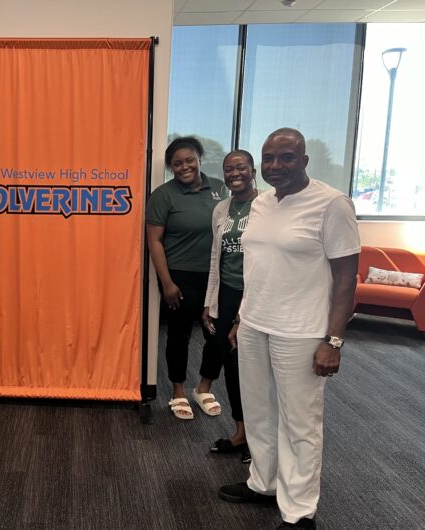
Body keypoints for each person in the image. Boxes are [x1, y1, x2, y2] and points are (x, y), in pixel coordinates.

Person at [218, 128, 360, 530]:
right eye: (270, 159)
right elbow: (257, 267)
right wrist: (242, 317)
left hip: (301, 331)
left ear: (304, 161)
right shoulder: (262, 204)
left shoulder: (331, 204)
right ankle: (263, 484)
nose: (276, 166)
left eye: (287, 158)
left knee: (300, 422)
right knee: (259, 413)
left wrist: (333, 340)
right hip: (255, 324)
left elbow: (347, 278)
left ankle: (299, 512)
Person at [146, 136, 229, 420]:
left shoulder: (220, 188)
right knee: (179, 335)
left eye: (189, 160)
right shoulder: (163, 195)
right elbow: (154, 241)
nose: (185, 167)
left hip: (217, 275)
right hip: (179, 276)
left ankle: (204, 387)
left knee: (216, 336)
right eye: (177, 163)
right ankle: (178, 391)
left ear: (199, 159)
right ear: (171, 167)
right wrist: (166, 282)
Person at [202, 150, 258, 464]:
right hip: (227, 294)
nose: (234, 173)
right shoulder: (222, 209)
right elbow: (216, 259)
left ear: (253, 170)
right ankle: (241, 433)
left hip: (257, 297)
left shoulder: (266, 206)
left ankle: (260, 439)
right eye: (228, 169)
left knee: (255, 371)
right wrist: (210, 303)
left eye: (240, 167)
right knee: (232, 367)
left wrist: (243, 314)